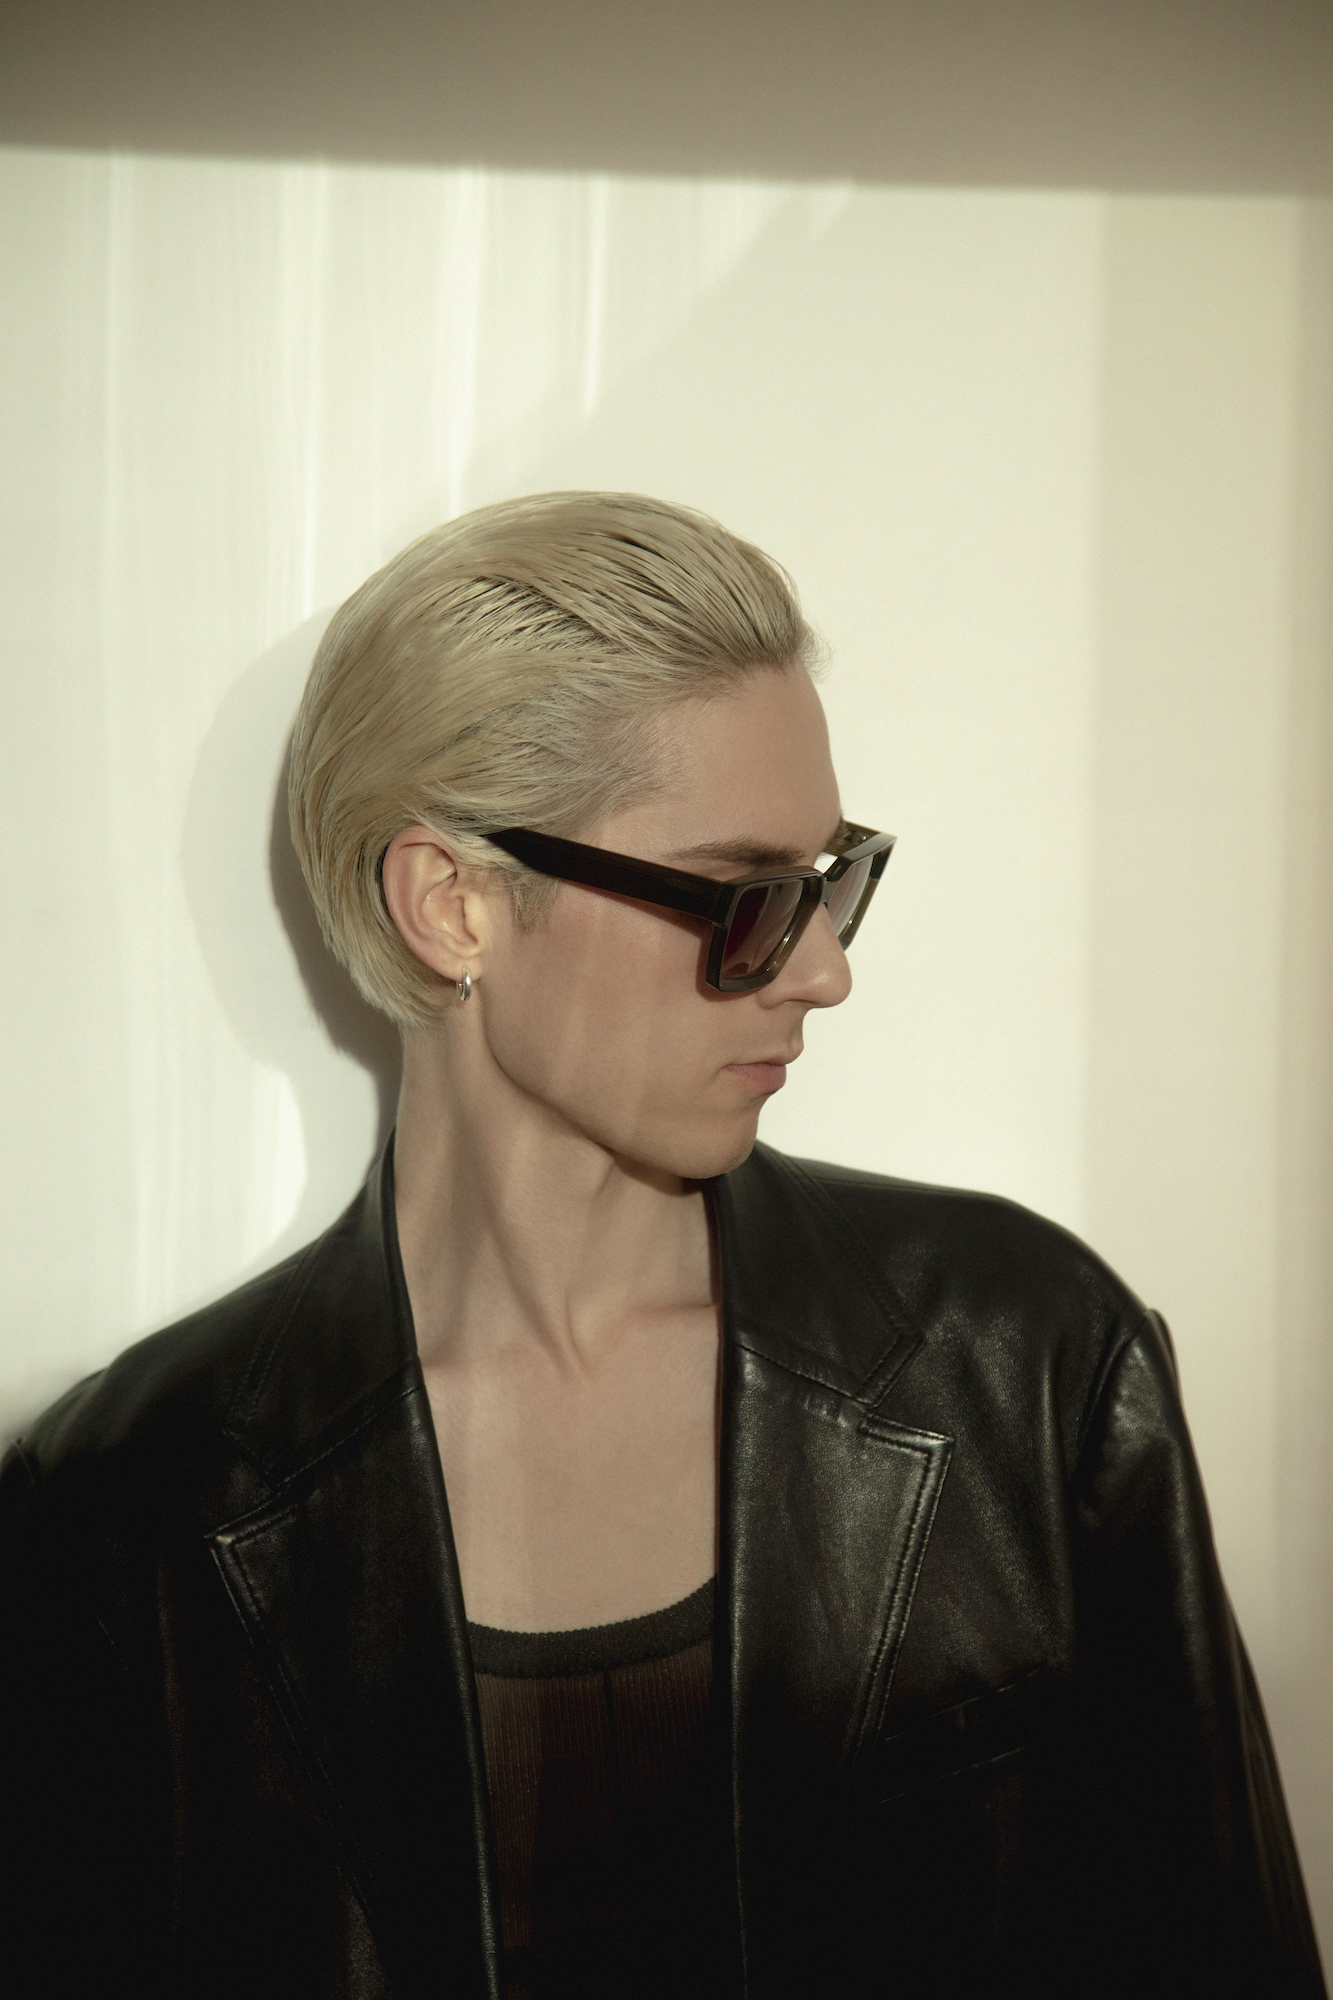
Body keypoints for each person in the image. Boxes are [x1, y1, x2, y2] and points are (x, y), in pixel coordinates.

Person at [0, 492, 1324, 1999]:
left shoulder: (1025, 1359)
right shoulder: (129, 1502)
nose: (822, 973)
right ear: (451, 905)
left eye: (831, 882)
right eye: (750, 898)